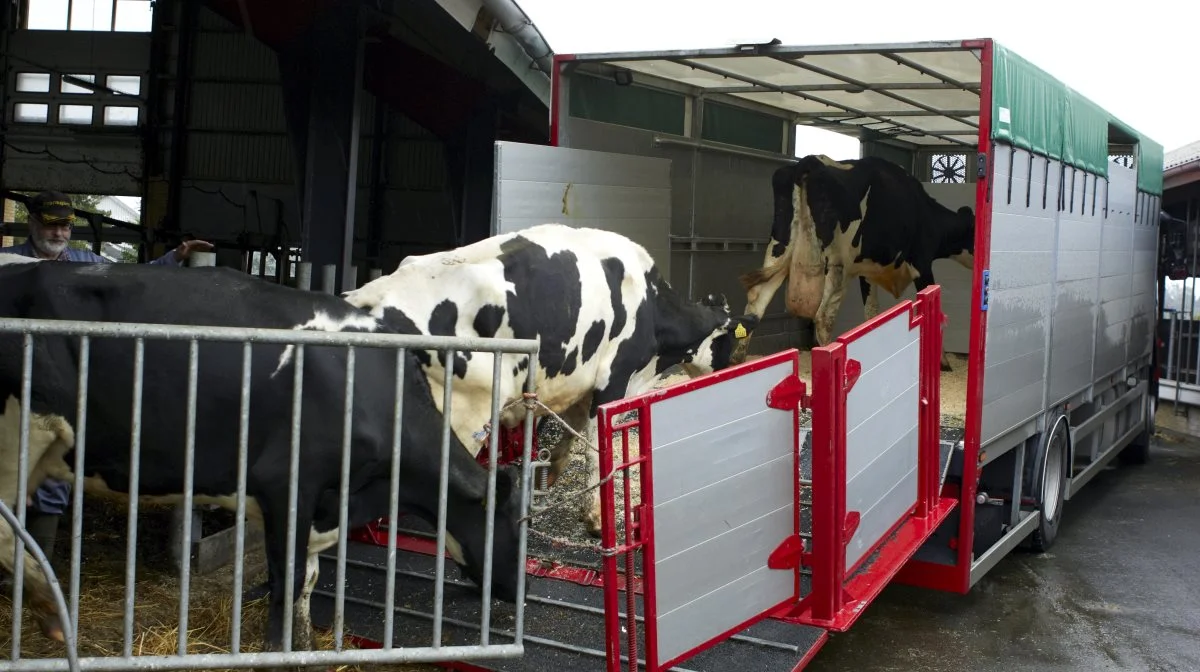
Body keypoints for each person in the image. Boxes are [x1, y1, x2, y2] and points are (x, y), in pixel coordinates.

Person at [0, 190, 214, 561]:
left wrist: (175, 258)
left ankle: (32, 574)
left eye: (65, 226)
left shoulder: (84, 264)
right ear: (32, 221)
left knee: (51, 471)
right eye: (51, 225)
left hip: (56, 385)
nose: (59, 233)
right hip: (6, 386)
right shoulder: (7, 264)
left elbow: (131, 281)